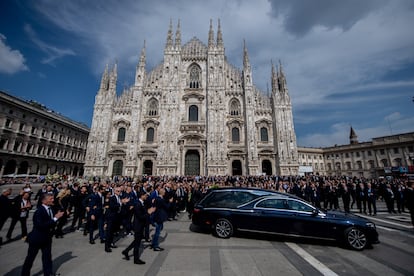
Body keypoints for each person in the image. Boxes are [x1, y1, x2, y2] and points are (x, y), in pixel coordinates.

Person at [21, 193, 64, 276]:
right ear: (44, 201)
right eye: (51, 199)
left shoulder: (51, 209)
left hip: (47, 238)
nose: (53, 200)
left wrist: (56, 218)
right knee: (30, 259)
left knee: (47, 258)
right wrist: (55, 218)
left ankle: (48, 273)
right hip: (37, 239)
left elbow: (51, 222)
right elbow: (40, 225)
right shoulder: (39, 211)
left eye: (53, 198)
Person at [122, 191, 156, 264]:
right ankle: (136, 259)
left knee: (137, 241)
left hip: (140, 225)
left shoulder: (141, 203)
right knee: (137, 243)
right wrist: (148, 213)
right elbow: (140, 216)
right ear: (141, 196)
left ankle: (126, 251)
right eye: (145, 195)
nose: (146, 196)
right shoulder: (137, 204)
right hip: (138, 226)